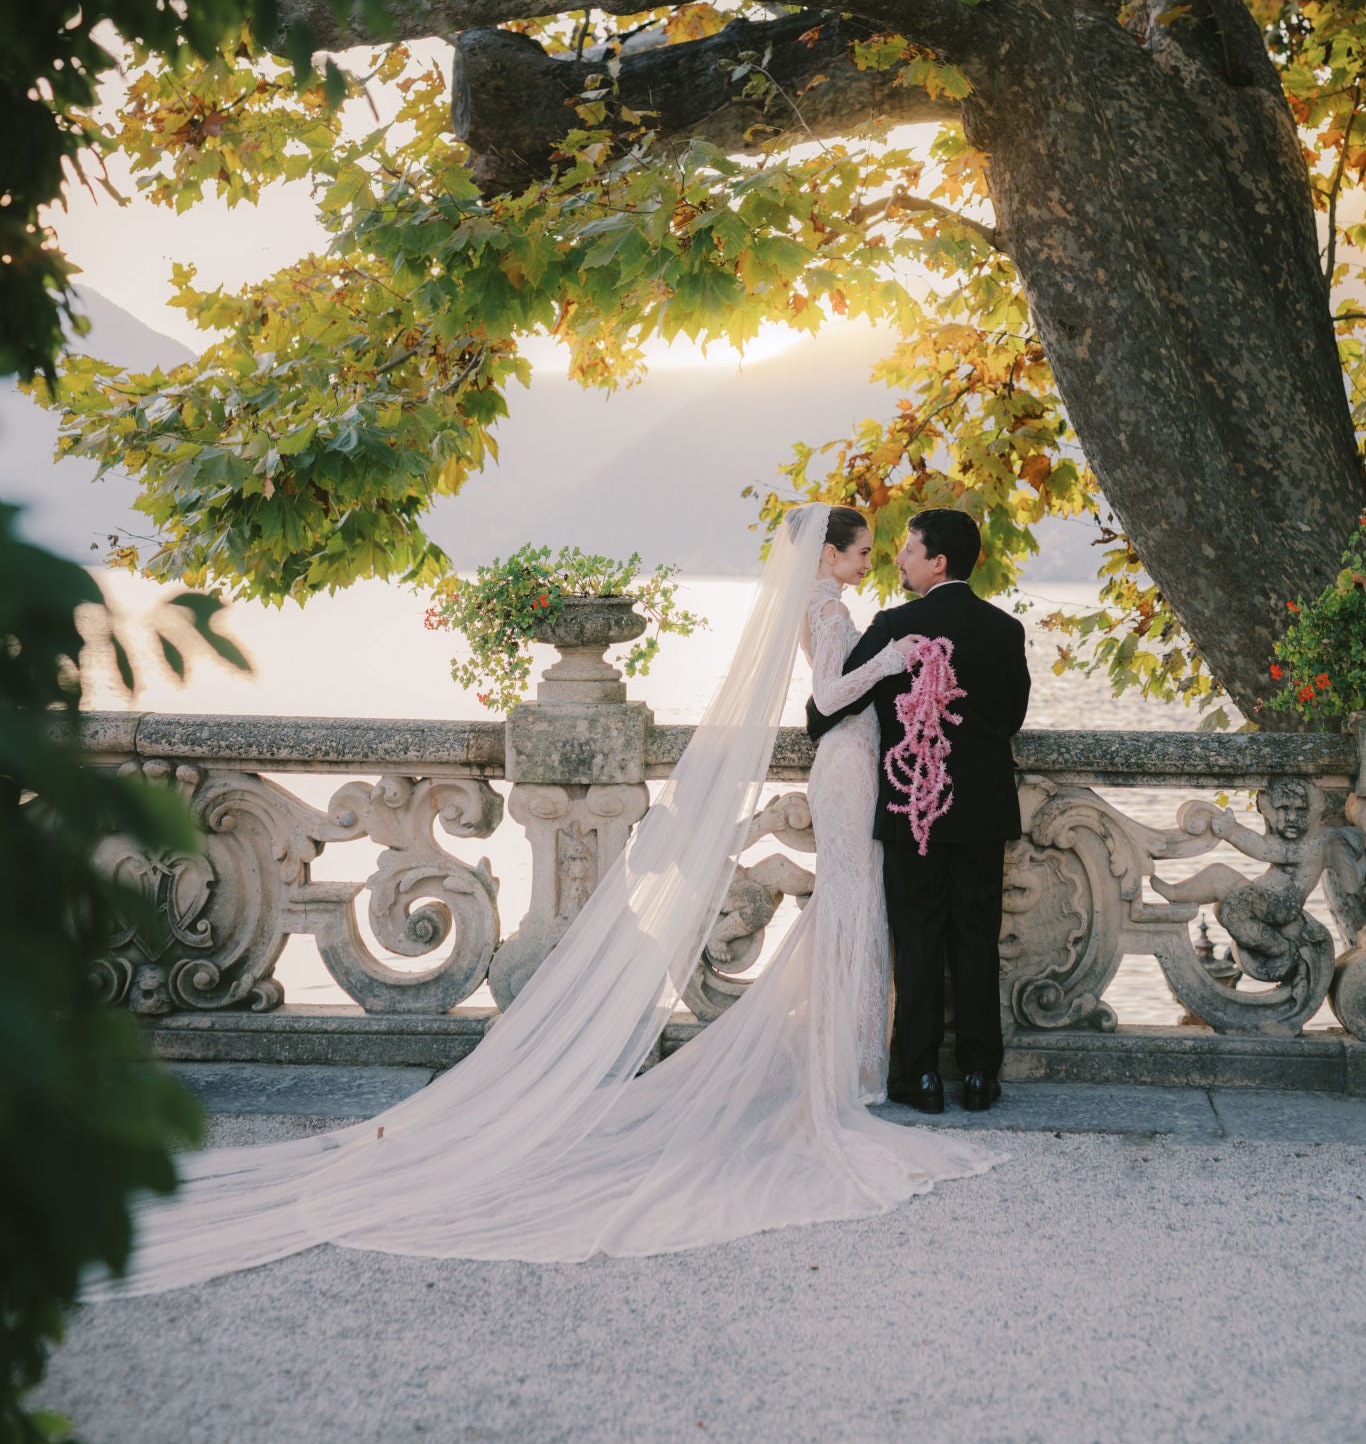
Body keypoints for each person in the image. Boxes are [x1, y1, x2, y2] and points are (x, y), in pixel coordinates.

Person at [93, 504, 1001, 1296]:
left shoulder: (836, 605)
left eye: (893, 545)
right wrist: (898, 665)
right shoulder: (836, 609)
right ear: (831, 554)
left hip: (857, 770)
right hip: (849, 767)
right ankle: (844, 1067)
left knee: (852, 909)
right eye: (864, 544)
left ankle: (852, 1059)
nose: (877, 554)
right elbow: (832, 698)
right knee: (849, 907)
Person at [807, 508, 1030, 1116]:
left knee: (918, 938)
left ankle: (921, 1076)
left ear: (938, 561)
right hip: (983, 809)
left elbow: (824, 712)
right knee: (977, 939)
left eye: (908, 550)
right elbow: (1009, 721)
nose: (898, 559)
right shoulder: (1006, 631)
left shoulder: (894, 626)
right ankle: (982, 1075)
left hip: (913, 806)